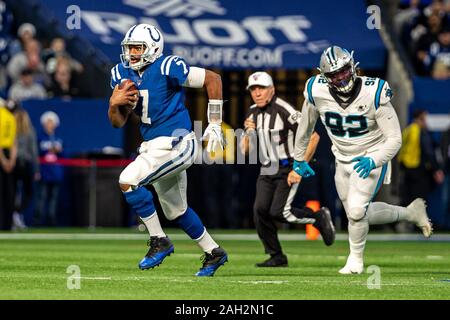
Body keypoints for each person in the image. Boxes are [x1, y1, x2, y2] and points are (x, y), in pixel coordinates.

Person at [293, 46, 433, 274]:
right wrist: (299, 158)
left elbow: (394, 139)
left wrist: (375, 159)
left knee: (357, 212)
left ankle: (355, 261)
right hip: (341, 158)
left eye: (344, 71)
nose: (340, 77)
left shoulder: (374, 91)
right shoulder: (315, 90)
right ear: (324, 77)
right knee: (357, 214)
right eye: (333, 74)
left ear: (353, 66)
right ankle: (410, 212)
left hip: (371, 154)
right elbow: (305, 125)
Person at [108, 24, 227, 276]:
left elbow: (212, 78)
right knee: (177, 211)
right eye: (129, 48)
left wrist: (214, 122)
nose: (131, 54)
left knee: (128, 180)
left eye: (137, 48)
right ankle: (213, 252)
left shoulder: (167, 66)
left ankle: (159, 240)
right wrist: (113, 104)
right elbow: (118, 122)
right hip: (153, 147)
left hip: (177, 142)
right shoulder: (121, 73)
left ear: (152, 49)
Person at [240, 71, 335, 268]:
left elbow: (314, 136)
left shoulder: (284, 109)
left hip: (287, 167)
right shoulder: (252, 112)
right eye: (253, 89)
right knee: (259, 211)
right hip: (267, 168)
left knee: (279, 212)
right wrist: (248, 133)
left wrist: (299, 167)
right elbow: (244, 150)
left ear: (272, 90)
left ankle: (317, 217)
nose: (257, 93)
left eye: (261, 88)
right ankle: (276, 255)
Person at [398, 109, 445, 231]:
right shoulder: (420, 131)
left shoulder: (408, 129)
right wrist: (436, 170)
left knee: (409, 197)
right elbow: (428, 152)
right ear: (420, 118)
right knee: (419, 199)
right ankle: (419, 225)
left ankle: (405, 224)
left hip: (407, 168)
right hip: (418, 169)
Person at [12, 107, 40, 230]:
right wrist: (37, 170)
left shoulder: (13, 130)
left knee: (13, 192)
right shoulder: (29, 131)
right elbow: (34, 152)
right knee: (27, 192)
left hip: (13, 163)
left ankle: (14, 212)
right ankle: (16, 213)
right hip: (24, 164)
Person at [35, 111, 63, 226]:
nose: (49, 125)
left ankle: (51, 221)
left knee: (53, 199)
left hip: (55, 172)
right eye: (47, 122)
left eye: (51, 122)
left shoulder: (58, 139)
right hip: (44, 172)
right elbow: (36, 153)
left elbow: (63, 155)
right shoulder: (40, 138)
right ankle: (37, 221)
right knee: (41, 197)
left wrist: (58, 150)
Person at [0, 100, 17, 230]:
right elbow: (13, 142)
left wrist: (4, 161)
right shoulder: (11, 117)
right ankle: (8, 223)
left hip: (3, 154)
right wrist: (11, 160)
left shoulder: (3, 116)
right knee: (9, 191)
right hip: (8, 154)